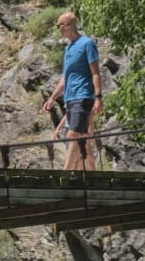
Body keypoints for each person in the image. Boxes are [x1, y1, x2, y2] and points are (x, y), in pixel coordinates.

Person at [43, 12, 103, 171]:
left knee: (73, 136)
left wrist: (98, 97)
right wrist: (52, 98)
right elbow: (65, 77)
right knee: (84, 140)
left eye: (59, 26)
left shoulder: (87, 44)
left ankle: (66, 173)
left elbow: (95, 72)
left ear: (68, 25)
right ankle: (92, 177)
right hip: (70, 98)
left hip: (83, 96)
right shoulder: (69, 48)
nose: (58, 29)